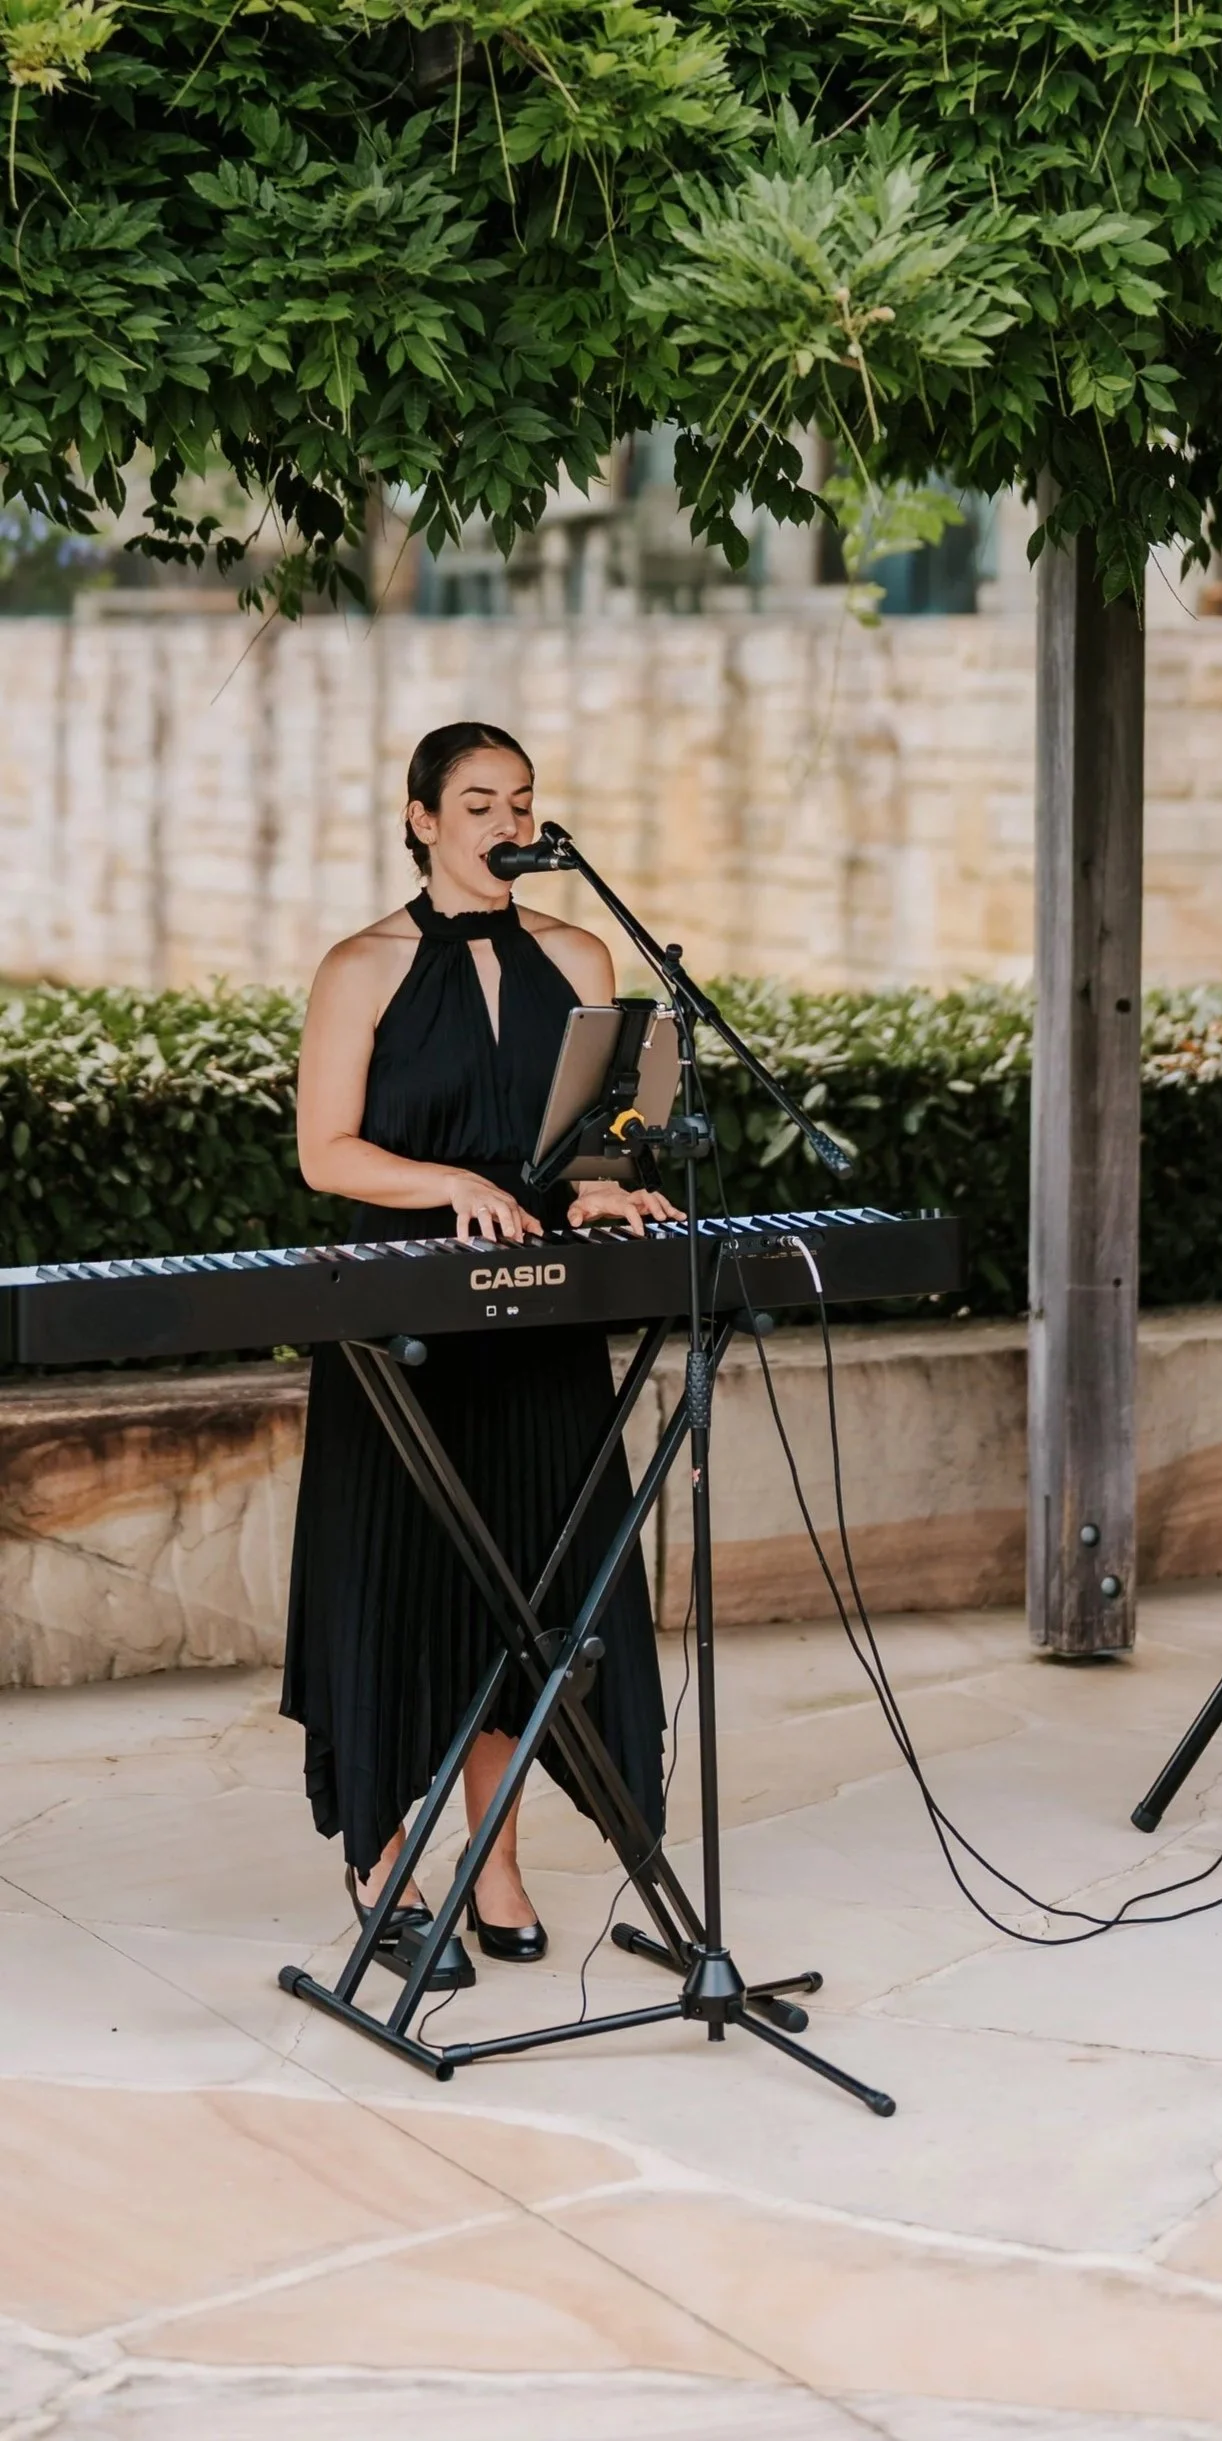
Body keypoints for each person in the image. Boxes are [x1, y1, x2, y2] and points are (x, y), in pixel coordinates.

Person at [281, 720, 678, 1984]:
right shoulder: (361, 966)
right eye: (476, 802)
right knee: (401, 1587)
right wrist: (448, 1179)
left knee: (531, 1592)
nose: (507, 823)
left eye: (521, 801)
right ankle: (382, 1858)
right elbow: (327, 1152)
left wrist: (605, 1185)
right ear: (420, 820)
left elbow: (595, 1139)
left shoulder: (579, 953)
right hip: (401, 1328)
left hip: (539, 1323)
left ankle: (492, 1859)